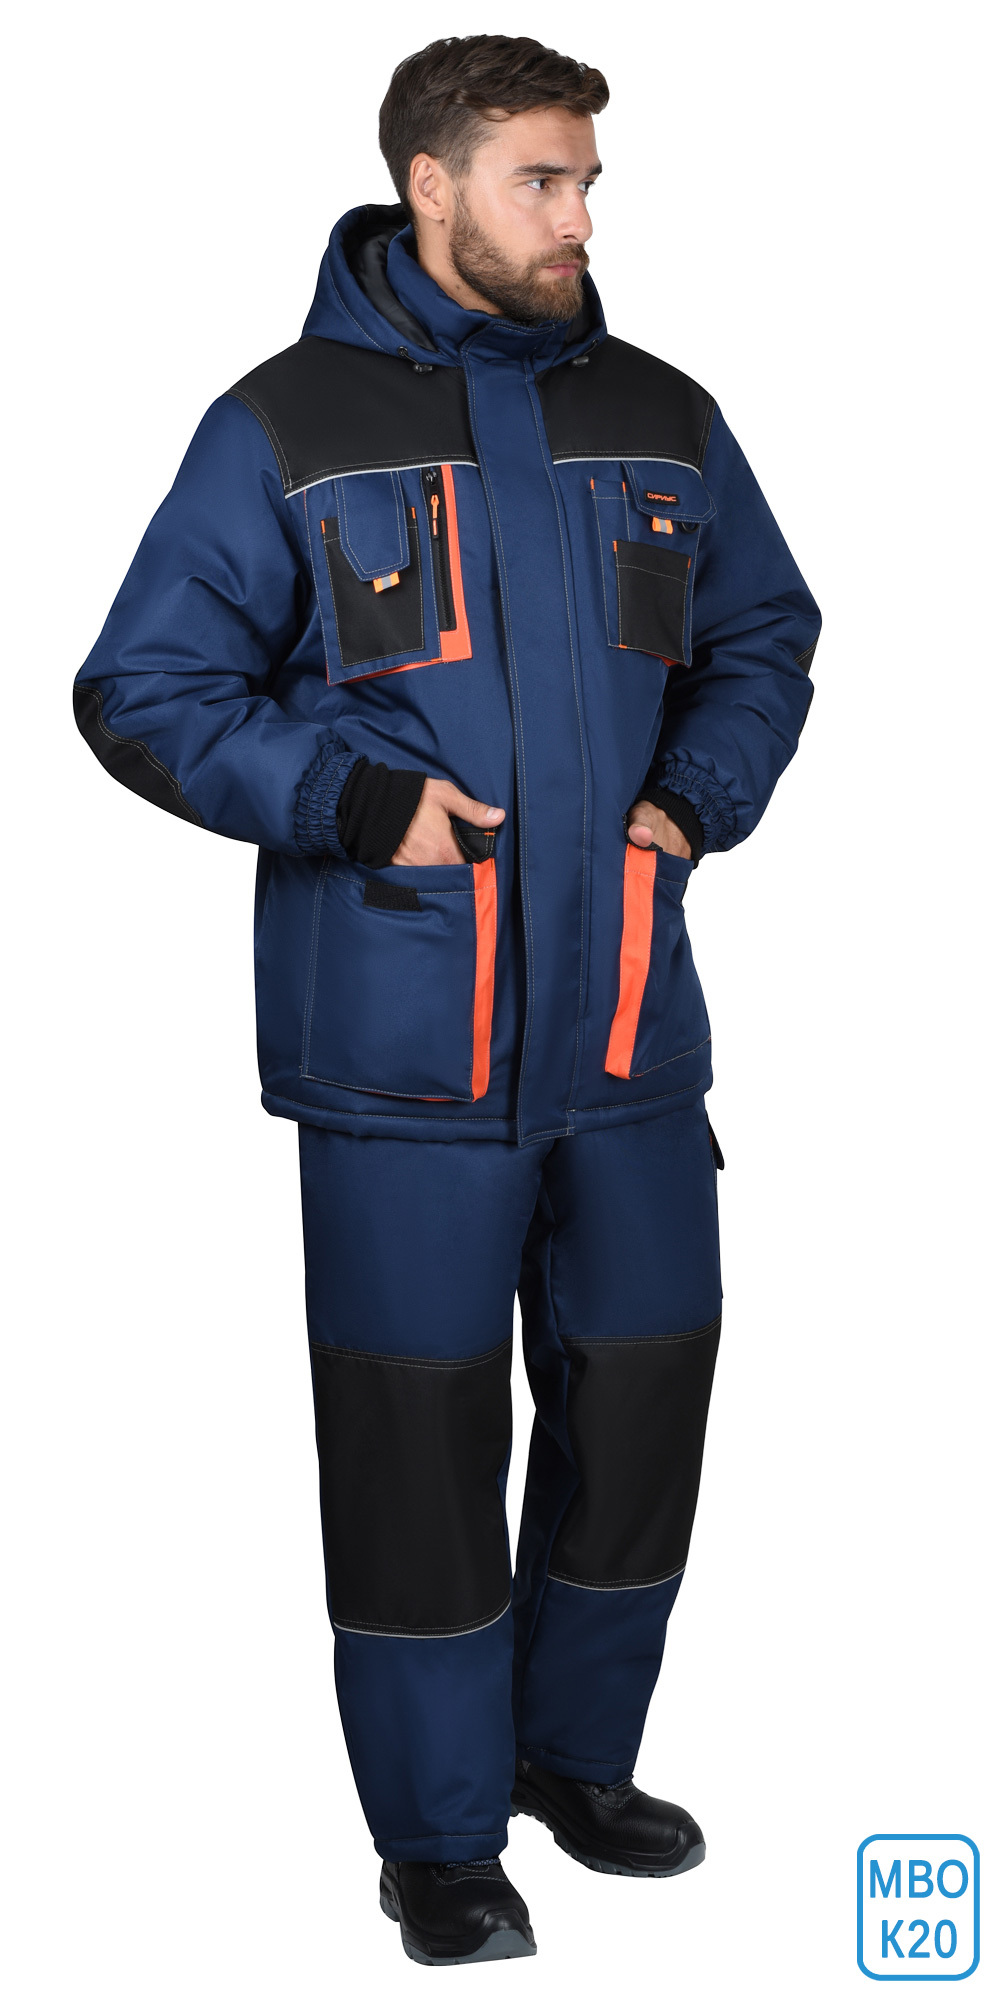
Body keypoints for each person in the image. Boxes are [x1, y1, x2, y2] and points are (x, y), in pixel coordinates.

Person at [73, 33, 820, 1968]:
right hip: (407, 1053)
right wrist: (349, 798)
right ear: (432, 184)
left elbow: (763, 632)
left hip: (631, 1039)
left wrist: (691, 801)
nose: (580, 219)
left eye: (590, 184)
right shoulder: (283, 426)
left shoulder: (662, 415)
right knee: (417, 1452)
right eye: (541, 181)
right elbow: (141, 686)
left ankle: (575, 1760)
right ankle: (437, 1841)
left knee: (640, 1411)